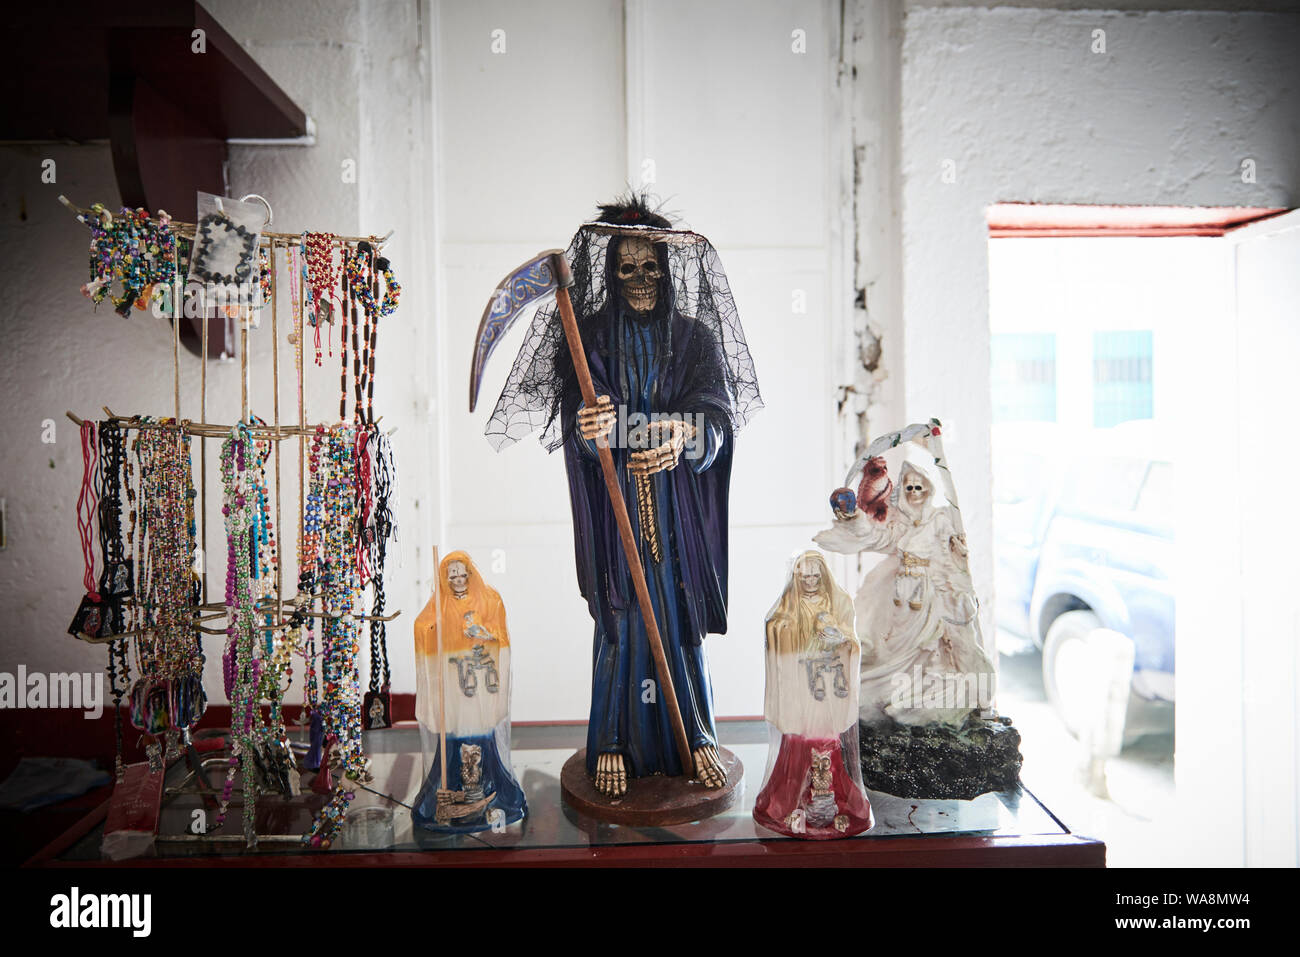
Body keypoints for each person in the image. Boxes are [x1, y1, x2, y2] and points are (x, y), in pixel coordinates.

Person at [484, 195, 762, 797]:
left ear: (668, 269)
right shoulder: (588, 342)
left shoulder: (694, 341)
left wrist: (688, 433)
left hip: (676, 510)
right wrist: (588, 430)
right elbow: (582, 423)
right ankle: (610, 738)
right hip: (617, 511)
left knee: (676, 615)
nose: (640, 280)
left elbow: (718, 415)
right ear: (610, 273)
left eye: (651, 266)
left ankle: (697, 733)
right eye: (627, 268)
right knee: (620, 615)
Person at [814, 446, 996, 726]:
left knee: (929, 650)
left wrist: (959, 559)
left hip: (929, 597)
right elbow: (877, 537)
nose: (914, 492)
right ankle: (880, 693)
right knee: (887, 646)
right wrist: (853, 517)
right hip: (899, 597)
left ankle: (922, 698)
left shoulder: (941, 521)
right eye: (909, 487)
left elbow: (952, 560)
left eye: (919, 487)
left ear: (929, 490)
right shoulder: (901, 526)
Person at [753, 550, 873, 838]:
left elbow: (851, 642)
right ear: (796, 577)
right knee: (799, 740)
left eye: (815, 577)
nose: (809, 582)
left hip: (828, 686)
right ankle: (793, 799)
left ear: (823, 577)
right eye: (804, 576)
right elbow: (774, 626)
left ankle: (832, 795)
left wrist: (840, 640)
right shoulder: (788, 609)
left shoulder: (836, 604)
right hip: (800, 686)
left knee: (825, 739)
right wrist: (788, 630)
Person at [411, 550, 526, 832]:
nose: (459, 580)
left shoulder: (489, 599)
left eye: (463, 574)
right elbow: (421, 626)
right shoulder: (439, 605)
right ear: (445, 579)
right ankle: (449, 794)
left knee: (479, 732)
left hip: (479, 684)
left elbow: (501, 636)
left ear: (470, 575)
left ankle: (490, 789)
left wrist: (484, 634)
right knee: (453, 733)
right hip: (452, 683)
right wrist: (433, 629)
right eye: (452, 575)